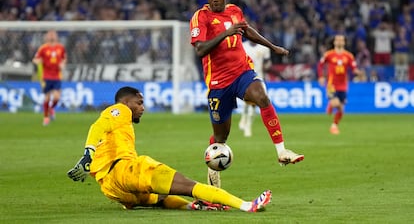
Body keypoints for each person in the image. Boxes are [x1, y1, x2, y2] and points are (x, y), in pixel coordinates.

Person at [189, 0, 304, 188]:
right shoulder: (200, 17)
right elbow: (200, 49)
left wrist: (272, 47)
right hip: (219, 84)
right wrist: (227, 32)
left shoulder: (234, 11)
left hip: (242, 72)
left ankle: (282, 151)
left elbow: (247, 31)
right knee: (221, 138)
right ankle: (212, 174)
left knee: (262, 96)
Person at [67, 86, 272, 212]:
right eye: (139, 103)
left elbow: (100, 130)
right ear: (126, 101)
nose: (143, 108)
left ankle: (194, 206)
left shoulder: (117, 129)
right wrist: (88, 154)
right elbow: (97, 126)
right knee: (189, 186)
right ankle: (247, 205)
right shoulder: (120, 110)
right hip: (126, 169)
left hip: (111, 189)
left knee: (160, 199)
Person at [317, 35, 362, 135]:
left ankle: (334, 126)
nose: (339, 42)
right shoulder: (329, 54)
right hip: (331, 84)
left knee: (341, 109)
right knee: (336, 104)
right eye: (337, 40)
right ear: (334, 42)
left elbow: (354, 68)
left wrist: (359, 73)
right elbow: (320, 65)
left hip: (343, 86)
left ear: (344, 42)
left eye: (341, 40)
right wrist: (321, 76)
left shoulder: (349, 56)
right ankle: (331, 104)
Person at [32, 30, 66, 126]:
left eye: (53, 34)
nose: (51, 36)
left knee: (56, 97)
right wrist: (38, 61)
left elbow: (64, 59)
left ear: (56, 36)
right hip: (46, 76)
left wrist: (63, 64)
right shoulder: (43, 48)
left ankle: (51, 109)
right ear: (46, 37)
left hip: (57, 76)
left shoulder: (61, 48)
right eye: (50, 34)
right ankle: (46, 117)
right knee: (47, 98)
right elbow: (35, 59)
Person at [238, 40, 271, 137]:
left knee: (255, 103)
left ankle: (248, 125)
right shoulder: (243, 46)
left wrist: (267, 66)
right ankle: (244, 117)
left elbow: (267, 61)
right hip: (245, 77)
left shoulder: (264, 48)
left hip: (258, 78)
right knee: (246, 102)